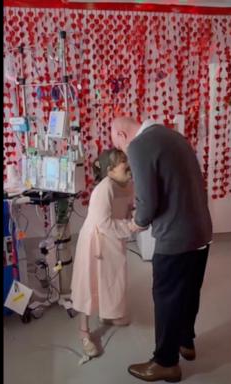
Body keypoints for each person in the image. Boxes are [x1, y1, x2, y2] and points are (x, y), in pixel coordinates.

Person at [111, 117, 212, 382]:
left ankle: (166, 362)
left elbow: (147, 200)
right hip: (201, 231)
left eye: (119, 147)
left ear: (122, 134)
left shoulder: (139, 145)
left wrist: (136, 223)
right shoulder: (173, 137)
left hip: (175, 237)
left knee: (166, 296)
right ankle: (186, 341)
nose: (124, 154)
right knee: (189, 290)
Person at [70, 148, 135, 357]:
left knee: (111, 279)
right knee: (89, 284)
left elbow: (127, 208)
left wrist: (135, 215)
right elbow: (104, 223)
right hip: (95, 242)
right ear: (109, 170)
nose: (128, 166)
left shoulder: (125, 184)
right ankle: (83, 331)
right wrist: (132, 226)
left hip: (112, 241)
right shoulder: (104, 188)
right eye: (123, 163)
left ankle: (108, 314)